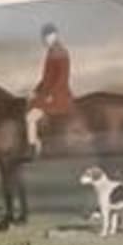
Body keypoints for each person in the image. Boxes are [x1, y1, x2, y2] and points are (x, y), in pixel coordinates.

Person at [30, 23, 76, 151]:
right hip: (49, 93)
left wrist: (51, 95)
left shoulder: (60, 52)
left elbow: (62, 78)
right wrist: (36, 90)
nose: (47, 40)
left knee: (30, 118)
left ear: (55, 36)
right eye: (45, 38)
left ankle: (34, 147)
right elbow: (47, 78)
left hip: (59, 96)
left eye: (49, 37)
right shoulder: (52, 52)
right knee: (29, 104)